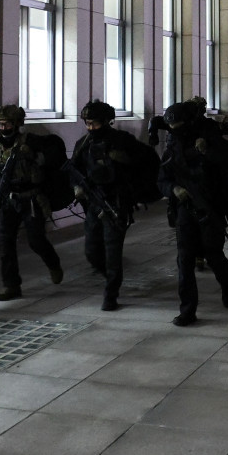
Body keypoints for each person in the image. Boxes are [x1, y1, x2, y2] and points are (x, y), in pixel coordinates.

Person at [0, 105, 65, 300]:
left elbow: (56, 149)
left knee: (36, 240)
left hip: (30, 199)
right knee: (5, 245)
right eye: (1, 124)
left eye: (7, 124)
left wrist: (37, 157)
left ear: (17, 124)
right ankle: (11, 285)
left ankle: (53, 263)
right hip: (7, 201)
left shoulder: (30, 141)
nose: (3, 128)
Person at [159, 101, 228, 325]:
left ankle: (227, 285)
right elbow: (162, 178)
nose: (175, 130)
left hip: (210, 208)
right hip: (185, 209)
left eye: (178, 125)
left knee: (213, 255)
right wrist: (173, 189)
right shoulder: (173, 146)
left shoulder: (209, 138)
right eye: (171, 126)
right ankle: (188, 310)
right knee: (185, 260)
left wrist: (210, 151)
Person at [68, 99, 141, 310]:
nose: (91, 128)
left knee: (112, 251)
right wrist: (76, 187)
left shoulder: (122, 140)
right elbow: (74, 169)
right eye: (88, 124)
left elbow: (142, 164)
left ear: (107, 121)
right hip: (93, 204)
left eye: (95, 124)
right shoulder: (83, 144)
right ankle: (109, 276)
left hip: (116, 203)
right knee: (92, 251)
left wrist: (123, 160)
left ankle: (111, 293)